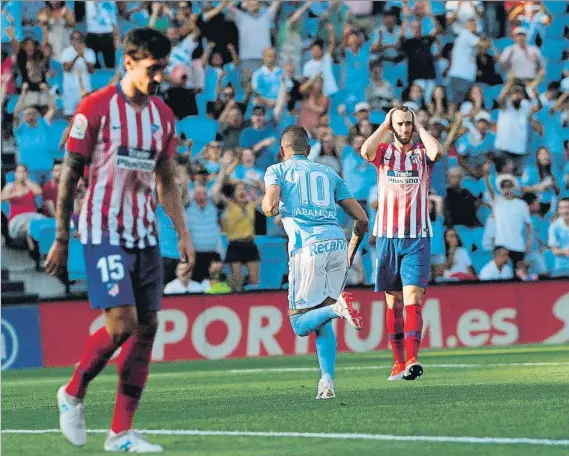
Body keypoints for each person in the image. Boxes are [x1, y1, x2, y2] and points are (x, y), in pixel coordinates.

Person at [45, 28, 194, 453]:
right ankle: (73, 391)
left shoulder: (162, 115)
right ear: (129, 61)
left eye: (164, 68)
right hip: (101, 230)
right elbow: (70, 173)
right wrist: (61, 237)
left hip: (145, 233)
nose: (159, 76)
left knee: (147, 328)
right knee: (122, 324)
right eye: (153, 67)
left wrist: (182, 233)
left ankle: (120, 434)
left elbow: (166, 179)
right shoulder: (95, 107)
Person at [262, 125, 368, 400]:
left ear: (281, 151)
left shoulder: (277, 170)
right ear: (309, 150)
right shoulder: (329, 172)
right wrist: (349, 253)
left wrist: (268, 204)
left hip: (307, 249)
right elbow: (362, 219)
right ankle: (327, 382)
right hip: (336, 244)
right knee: (322, 320)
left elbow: (270, 206)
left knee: (299, 323)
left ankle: (338, 308)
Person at [361, 106, 444, 382]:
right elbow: (365, 151)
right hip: (387, 237)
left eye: (408, 124)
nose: (405, 129)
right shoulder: (384, 153)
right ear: (392, 126)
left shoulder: (422, 156)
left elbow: (437, 152)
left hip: (417, 237)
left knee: (414, 299)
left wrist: (421, 126)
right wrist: (385, 125)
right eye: (401, 124)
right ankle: (398, 362)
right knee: (393, 302)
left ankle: (412, 359)